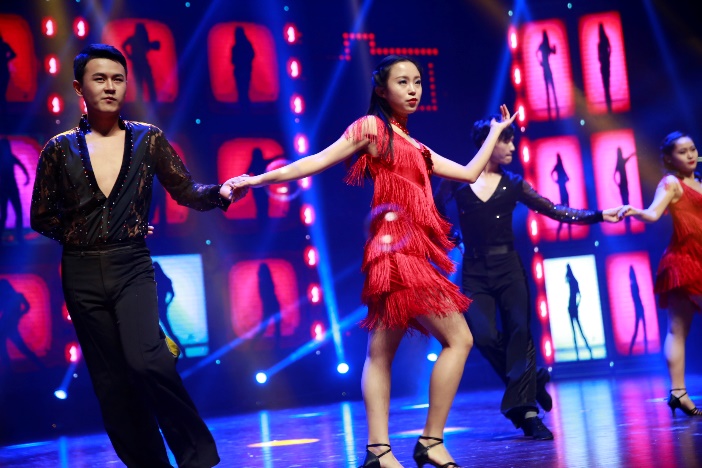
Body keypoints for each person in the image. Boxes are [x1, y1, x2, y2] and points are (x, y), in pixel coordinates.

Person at [228, 55, 517, 468]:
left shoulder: (417, 146)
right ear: (381, 89)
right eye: (403, 82)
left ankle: (378, 451)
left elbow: (470, 173)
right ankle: (429, 442)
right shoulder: (371, 128)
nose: (413, 89)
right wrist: (257, 180)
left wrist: (496, 132)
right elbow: (316, 161)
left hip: (403, 254)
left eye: (417, 81)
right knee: (460, 339)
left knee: (380, 355)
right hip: (397, 254)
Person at [30, 44, 247, 467]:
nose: (110, 86)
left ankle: (198, 456)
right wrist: (88, 230)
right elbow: (41, 216)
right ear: (79, 87)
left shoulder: (148, 139)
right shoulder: (59, 149)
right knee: (111, 382)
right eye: (99, 78)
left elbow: (185, 189)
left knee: (149, 362)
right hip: (80, 271)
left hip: (131, 264)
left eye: (118, 79)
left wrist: (219, 193)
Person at [434, 115, 624, 440]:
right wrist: (452, 236)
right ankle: (532, 380)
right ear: (488, 143)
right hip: (476, 271)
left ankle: (528, 414)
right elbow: (435, 209)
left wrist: (597, 215)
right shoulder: (457, 181)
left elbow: (552, 209)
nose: (512, 147)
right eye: (505, 140)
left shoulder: (513, 183)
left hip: (509, 267)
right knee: (483, 336)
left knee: (520, 334)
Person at [619, 131, 702, 417]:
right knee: (676, 330)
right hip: (684, 263)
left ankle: (678, 394)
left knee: (678, 329)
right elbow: (653, 214)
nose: (690, 155)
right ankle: (677, 392)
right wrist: (634, 211)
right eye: (682, 151)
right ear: (669, 158)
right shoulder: (671, 183)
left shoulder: (699, 181)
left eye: (693, 149)